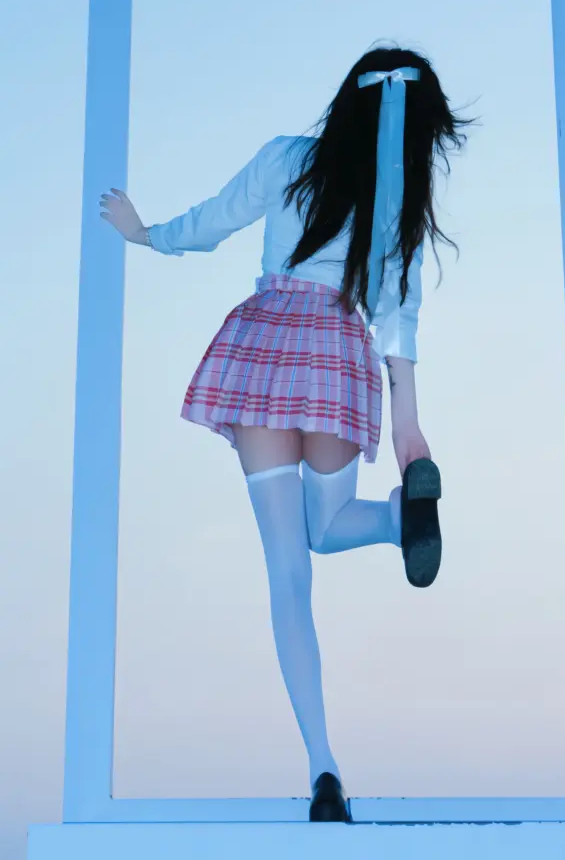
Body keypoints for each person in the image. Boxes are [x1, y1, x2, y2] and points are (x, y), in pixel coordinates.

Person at [100, 43, 473, 823]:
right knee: (326, 527)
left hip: (265, 351)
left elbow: (211, 221)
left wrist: (146, 234)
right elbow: (396, 318)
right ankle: (399, 515)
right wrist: (409, 432)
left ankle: (323, 767)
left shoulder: (286, 159)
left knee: (288, 570)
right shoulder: (393, 204)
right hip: (335, 356)